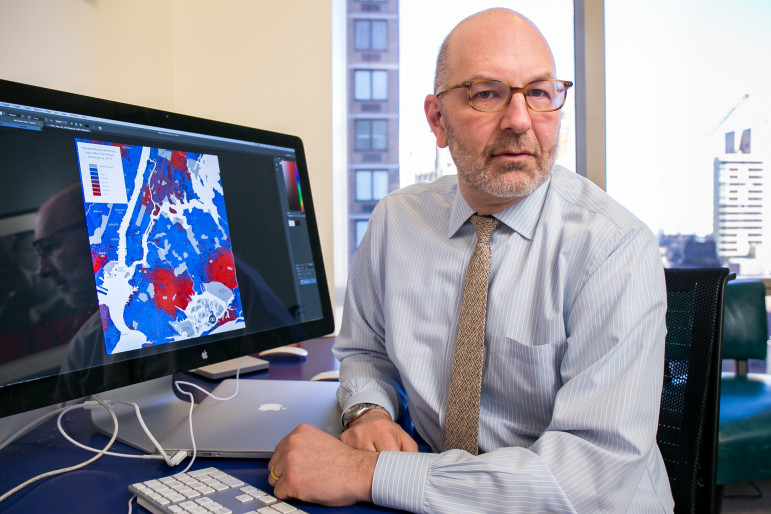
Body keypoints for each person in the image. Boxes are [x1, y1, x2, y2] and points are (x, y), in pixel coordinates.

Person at [268, 8, 675, 513]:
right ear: (437, 120)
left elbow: (588, 476)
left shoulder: (614, 248)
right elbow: (365, 353)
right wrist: (368, 410)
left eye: (541, 93)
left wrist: (368, 472)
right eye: (487, 93)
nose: (520, 121)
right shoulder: (396, 223)